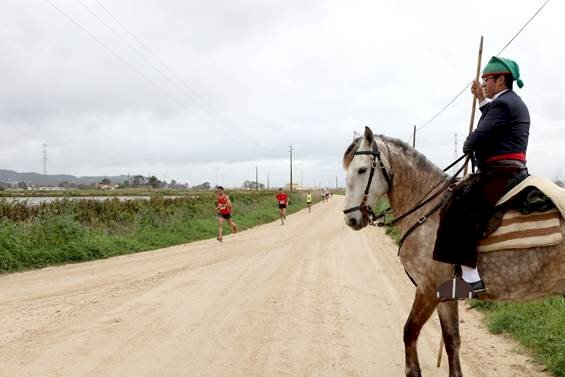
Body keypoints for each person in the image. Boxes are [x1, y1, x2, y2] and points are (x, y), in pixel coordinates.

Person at [433, 56, 530, 296]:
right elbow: (493, 116)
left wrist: (468, 145)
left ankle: (470, 280)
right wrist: (481, 99)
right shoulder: (507, 102)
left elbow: (479, 134)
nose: (484, 83)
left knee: (458, 206)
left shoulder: (503, 104)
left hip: (501, 173)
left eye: (487, 79)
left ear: (500, 79)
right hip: (507, 169)